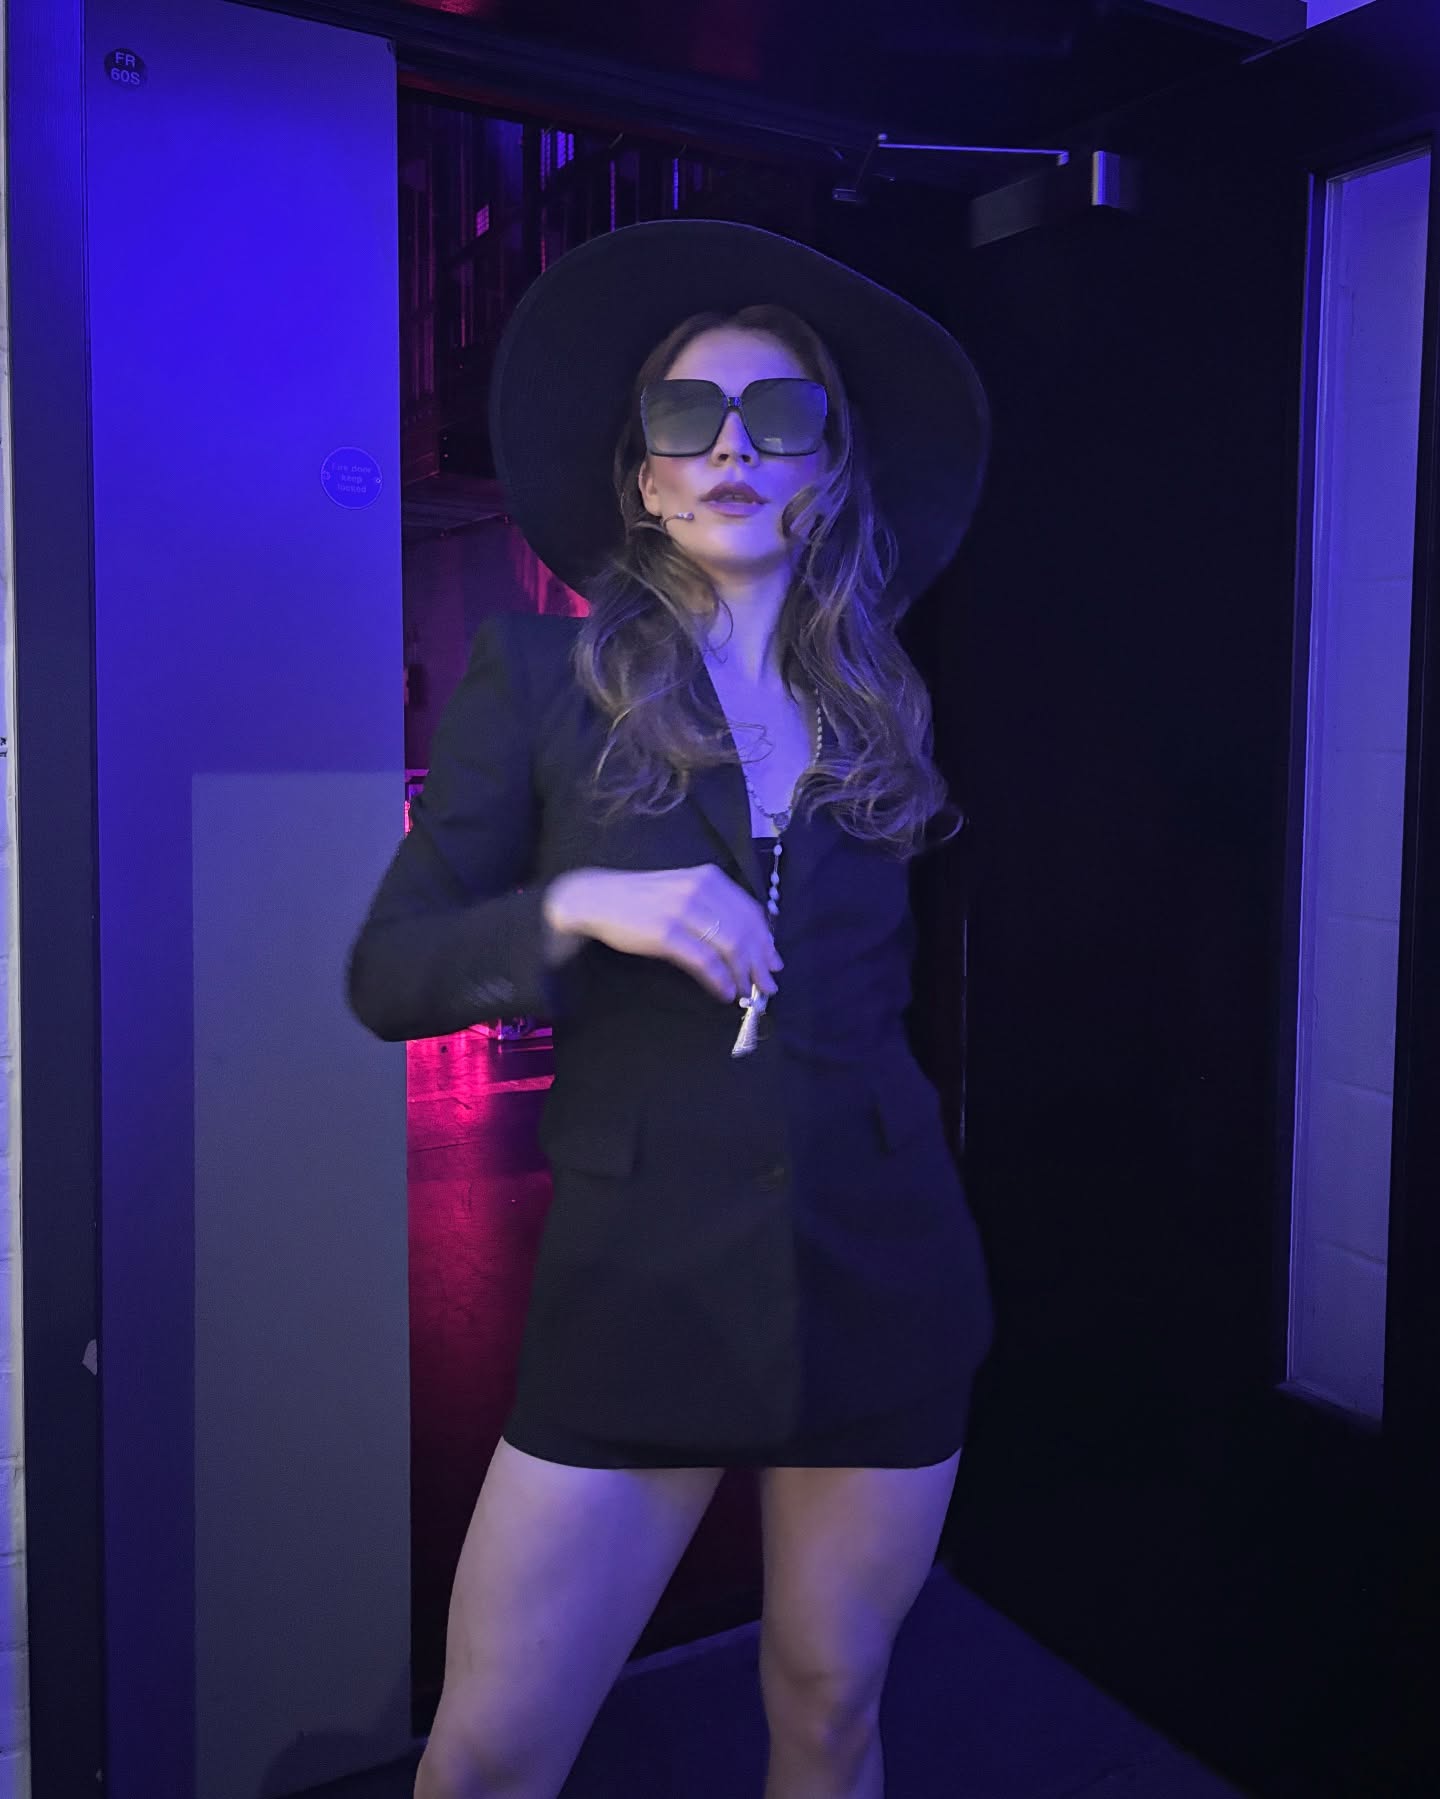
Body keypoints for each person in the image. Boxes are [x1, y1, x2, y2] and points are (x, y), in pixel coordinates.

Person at [347, 219, 997, 1799]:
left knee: (831, 1705)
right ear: (643, 480)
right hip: (637, 1290)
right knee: (489, 1758)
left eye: (780, 417)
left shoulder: (886, 701)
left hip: (880, 1272)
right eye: (687, 417)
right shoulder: (539, 679)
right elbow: (392, 972)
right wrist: (583, 904)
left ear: (827, 472)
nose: (731, 450)